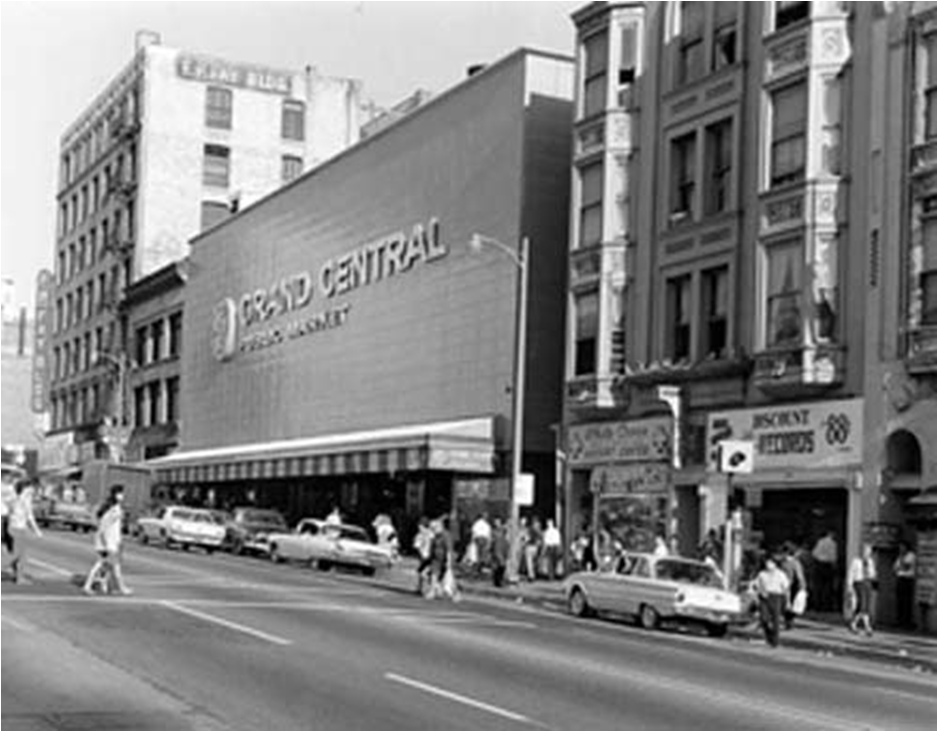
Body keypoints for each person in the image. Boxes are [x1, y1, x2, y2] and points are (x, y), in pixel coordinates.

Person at [83, 485, 132, 596]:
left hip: (109, 541)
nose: (122, 495)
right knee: (114, 566)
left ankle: (96, 585)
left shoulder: (114, 508)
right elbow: (105, 525)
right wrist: (104, 541)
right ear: (116, 494)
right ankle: (121, 588)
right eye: (121, 493)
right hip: (109, 542)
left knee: (102, 564)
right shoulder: (114, 509)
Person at [8, 480, 43, 584]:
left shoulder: (16, 499)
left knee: (22, 555)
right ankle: (19, 577)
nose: (33, 490)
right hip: (19, 529)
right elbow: (30, 517)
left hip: (14, 528)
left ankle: (19, 577)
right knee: (17, 555)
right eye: (31, 488)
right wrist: (37, 531)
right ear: (25, 489)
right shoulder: (25, 500)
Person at [755, 555, 790, 648]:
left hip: (777, 596)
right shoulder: (762, 574)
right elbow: (757, 585)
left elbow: (786, 588)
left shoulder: (781, 574)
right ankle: (768, 633)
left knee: (776, 620)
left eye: (770, 563)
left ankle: (775, 641)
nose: (768, 565)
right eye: (767, 563)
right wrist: (760, 592)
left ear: (775, 564)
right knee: (764, 618)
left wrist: (788, 601)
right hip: (765, 596)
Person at [848, 543, 877, 636]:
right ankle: (856, 623)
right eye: (865, 551)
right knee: (861, 604)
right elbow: (851, 574)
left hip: (867, 582)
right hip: (859, 583)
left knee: (867, 606)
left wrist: (871, 574)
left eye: (868, 551)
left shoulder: (870, 561)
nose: (867, 553)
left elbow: (873, 573)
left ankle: (866, 626)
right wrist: (849, 586)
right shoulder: (855, 561)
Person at [781, 542, 807, 630]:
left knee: (788, 604)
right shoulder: (795, 563)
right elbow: (800, 575)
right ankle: (789, 622)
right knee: (789, 605)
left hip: (788, 585)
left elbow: (799, 575)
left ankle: (788, 622)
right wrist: (803, 586)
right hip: (790, 585)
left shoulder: (785, 562)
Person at [811, 530, 838, 611]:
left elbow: (814, 553)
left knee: (818, 586)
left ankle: (817, 606)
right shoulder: (833, 544)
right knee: (828, 587)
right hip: (828, 566)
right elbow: (833, 557)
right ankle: (826, 606)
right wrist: (834, 566)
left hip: (819, 565)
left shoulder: (820, 541)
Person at [893, 541, 917, 630]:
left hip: (907, 579)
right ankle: (899, 620)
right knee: (899, 600)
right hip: (900, 579)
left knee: (906, 601)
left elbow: (906, 566)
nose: (901, 549)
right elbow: (895, 568)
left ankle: (906, 621)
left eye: (902, 547)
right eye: (900, 547)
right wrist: (900, 567)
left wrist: (900, 566)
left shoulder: (911, 555)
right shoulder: (900, 556)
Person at [413, 516, 434, 595]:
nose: (419, 527)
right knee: (421, 573)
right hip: (425, 556)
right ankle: (420, 588)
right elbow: (417, 547)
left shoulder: (428, 534)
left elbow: (417, 547)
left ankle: (430, 588)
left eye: (420, 526)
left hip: (428, 556)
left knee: (424, 573)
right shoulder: (422, 535)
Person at [491, 517, 510, 588]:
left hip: (501, 548)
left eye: (497, 521)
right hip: (497, 549)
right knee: (498, 566)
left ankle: (498, 580)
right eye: (495, 521)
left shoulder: (503, 530)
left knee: (501, 566)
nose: (496, 523)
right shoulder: (494, 531)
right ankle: (497, 581)